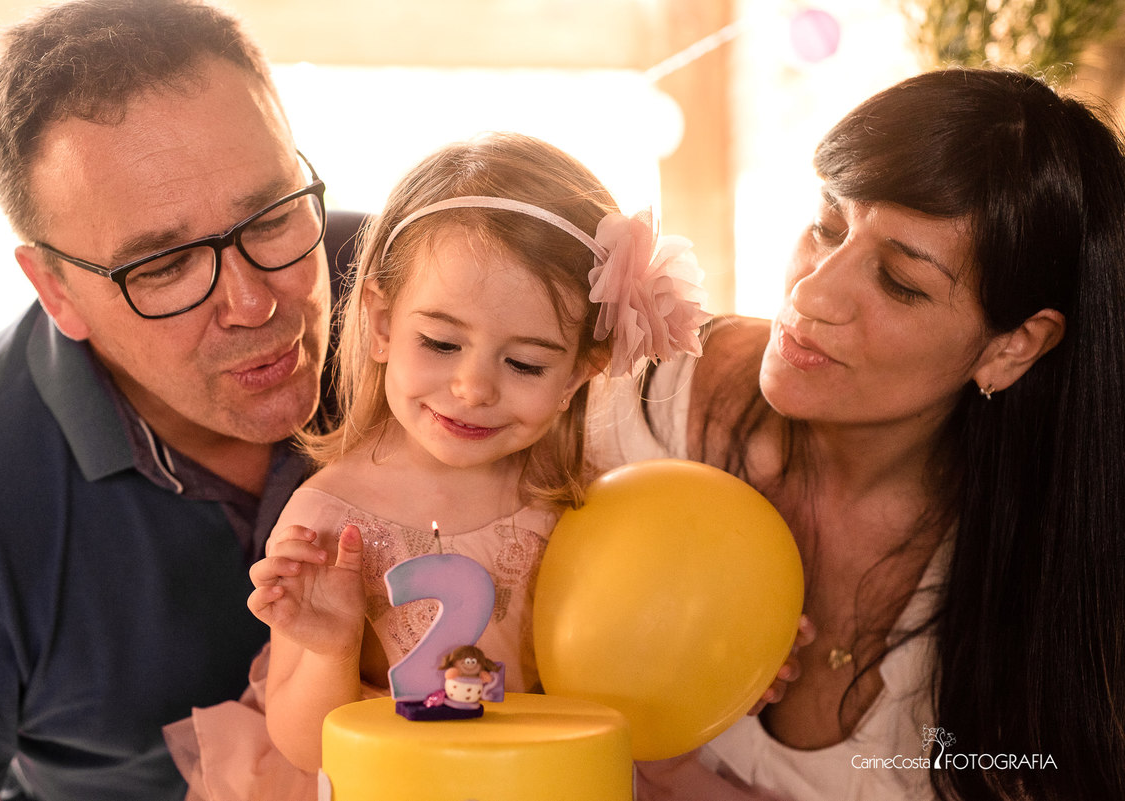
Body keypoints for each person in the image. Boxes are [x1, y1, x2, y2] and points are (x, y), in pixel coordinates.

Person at [595, 68, 1125, 801]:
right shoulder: (632, 394)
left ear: (1014, 347)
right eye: (827, 226)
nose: (811, 292)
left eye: (899, 281)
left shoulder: (1048, 592)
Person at [161, 130, 711, 799]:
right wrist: (333, 646)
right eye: (442, 343)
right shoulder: (329, 522)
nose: (473, 388)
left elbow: (643, 652)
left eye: (525, 363)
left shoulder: (586, 502)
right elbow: (307, 747)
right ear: (382, 324)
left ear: (577, 373)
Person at [0, 2, 364, 799]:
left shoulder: (416, 295)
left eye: (270, 215)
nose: (253, 303)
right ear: (57, 290)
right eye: (163, 266)